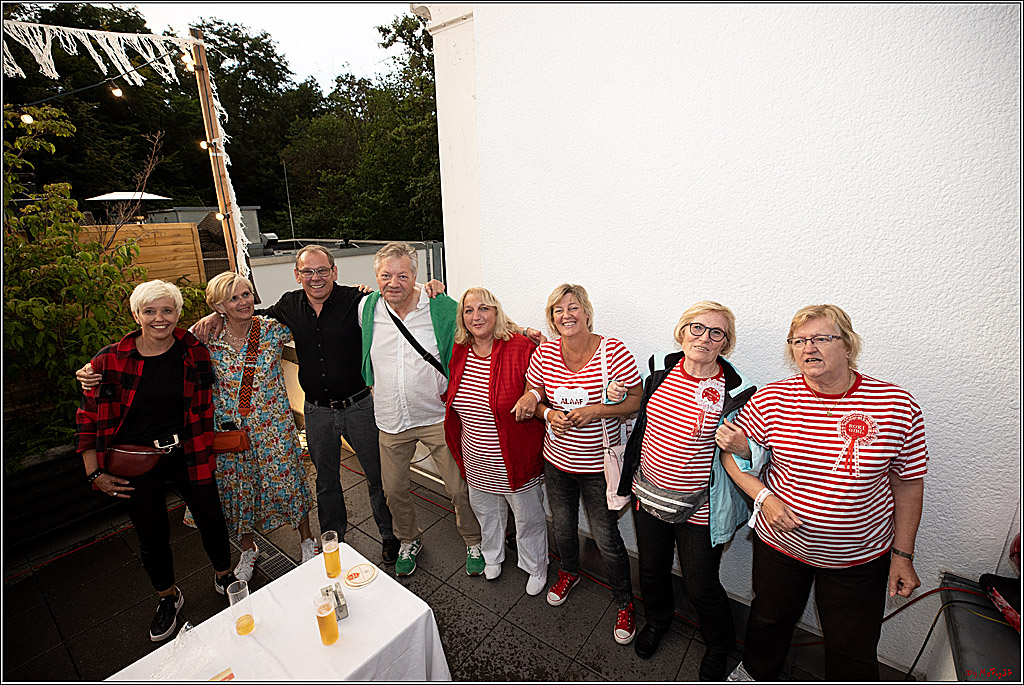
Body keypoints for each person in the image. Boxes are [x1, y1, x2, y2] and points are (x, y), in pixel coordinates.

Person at [189, 247, 447, 565]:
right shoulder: (288, 306)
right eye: (308, 271)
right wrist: (217, 314)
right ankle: (333, 538)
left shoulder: (356, 299)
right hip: (316, 411)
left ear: (334, 271)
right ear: (297, 275)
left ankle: (390, 535)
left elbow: (397, 295)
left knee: (377, 477)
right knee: (326, 481)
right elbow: (248, 315)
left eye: (323, 270)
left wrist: (430, 287)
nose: (316, 277)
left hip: (359, 406)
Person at [718, 304, 927, 682]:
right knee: (767, 621)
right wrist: (764, 498)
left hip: (859, 558)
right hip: (781, 547)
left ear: (848, 345)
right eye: (798, 341)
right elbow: (732, 455)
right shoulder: (772, 399)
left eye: (820, 338)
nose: (808, 348)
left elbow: (908, 483)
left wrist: (903, 555)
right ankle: (755, 673)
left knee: (852, 647)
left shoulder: (896, 405)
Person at [76, 280, 236, 642]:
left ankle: (224, 576)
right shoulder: (109, 361)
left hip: (189, 451)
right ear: (137, 315)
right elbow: (87, 418)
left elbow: (234, 321)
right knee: (151, 534)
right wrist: (94, 473)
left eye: (167, 310)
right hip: (135, 459)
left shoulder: (194, 350)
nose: (159, 318)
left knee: (212, 518)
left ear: (178, 314)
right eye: (149, 311)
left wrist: (217, 313)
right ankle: (168, 597)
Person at [613, 301, 759, 678]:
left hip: (701, 509)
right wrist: (615, 394)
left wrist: (744, 448)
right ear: (682, 332)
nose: (704, 338)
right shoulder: (658, 368)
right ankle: (657, 621)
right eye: (697, 328)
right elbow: (635, 413)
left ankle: (719, 646)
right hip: (649, 496)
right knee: (652, 570)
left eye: (716, 333)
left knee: (701, 586)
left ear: (725, 343)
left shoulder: (739, 390)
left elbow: (756, 450)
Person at [360, 242, 506, 578]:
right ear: (376, 277)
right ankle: (409, 540)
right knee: (393, 490)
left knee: (459, 488)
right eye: (386, 275)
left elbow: (481, 326)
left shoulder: (439, 305)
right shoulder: (367, 307)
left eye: (402, 275)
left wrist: (524, 333)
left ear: (416, 276)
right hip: (391, 418)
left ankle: (473, 541)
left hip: (437, 416)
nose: (393, 283)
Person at [514, 283, 643, 645]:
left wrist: (596, 411)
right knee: (564, 528)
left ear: (586, 312)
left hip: (599, 467)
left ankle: (625, 602)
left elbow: (636, 400)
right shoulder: (545, 353)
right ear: (552, 318)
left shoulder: (613, 351)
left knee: (607, 538)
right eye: (558, 310)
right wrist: (548, 414)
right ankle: (569, 572)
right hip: (557, 462)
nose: (566, 315)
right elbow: (534, 396)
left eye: (573, 308)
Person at [196, 272, 317, 580]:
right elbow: (160, 349)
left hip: (274, 429)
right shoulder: (206, 339)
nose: (243, 302)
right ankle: (248, 548)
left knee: (289, 481)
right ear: (218, 305)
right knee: (239, 489)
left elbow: (312, 318)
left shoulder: (272, 330)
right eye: (233, 298)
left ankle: (307, 540)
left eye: (246, 294)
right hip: (231, 432)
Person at [444, 287, 549, 595]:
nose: (476, 316)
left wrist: (534, 395)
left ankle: (536, 565)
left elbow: (544, 383)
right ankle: (492, 555)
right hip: (476, 456)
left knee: (528, 517)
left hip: (514, 455)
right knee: (486, 512)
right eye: (469, 310)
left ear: (496, 312)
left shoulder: (520, 346)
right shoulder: (459, 349)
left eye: (484, 309)